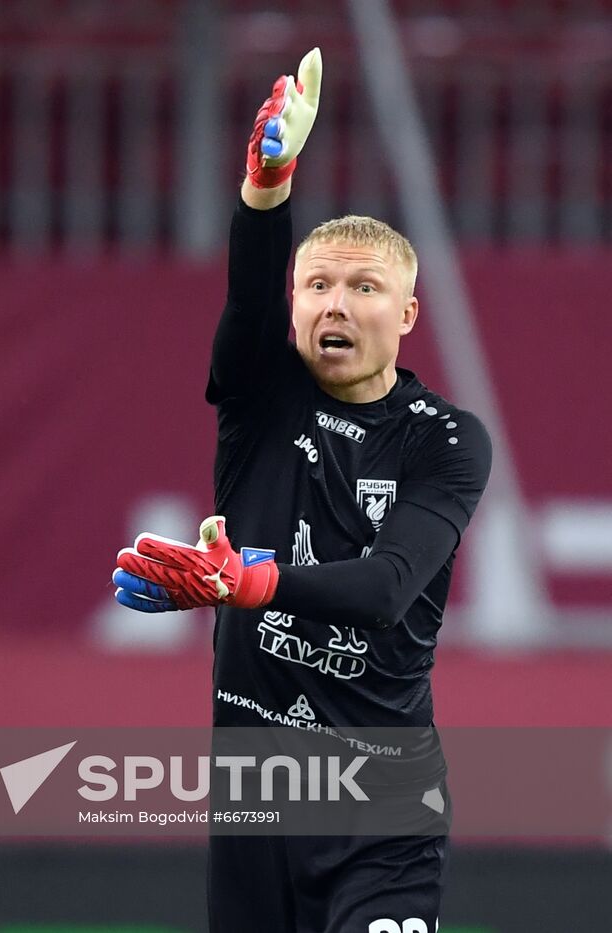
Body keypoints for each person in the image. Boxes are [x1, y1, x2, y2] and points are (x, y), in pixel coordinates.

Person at [112, 49, 491, 933]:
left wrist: (245, 580)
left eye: (365, 288)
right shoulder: (259, 399)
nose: (337, 305)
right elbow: (244, 305)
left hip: (382, 813)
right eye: (317, 285)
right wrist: (266, 187)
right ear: (295, 307)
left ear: (405, 314)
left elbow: (389, 587)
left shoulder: (446, 440)